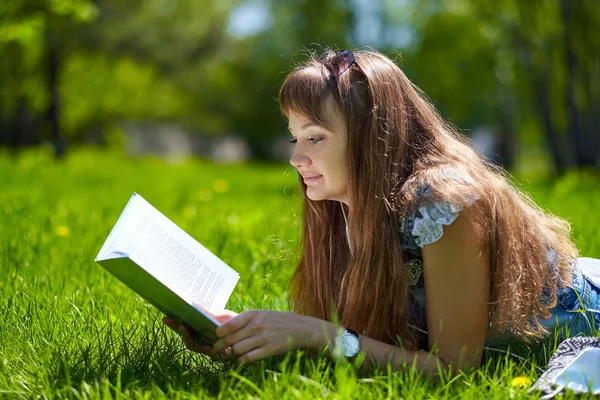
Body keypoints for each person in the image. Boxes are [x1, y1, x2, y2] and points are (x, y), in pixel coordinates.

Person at [163, 49, 600, 375]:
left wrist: (320, 335)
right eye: (294, 137)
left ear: (373, 137)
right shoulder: (343, 206)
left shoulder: (443, 203)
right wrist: (244, 338)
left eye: (314, 138)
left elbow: (456, 370)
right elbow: (370, 340)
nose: (296, 159)